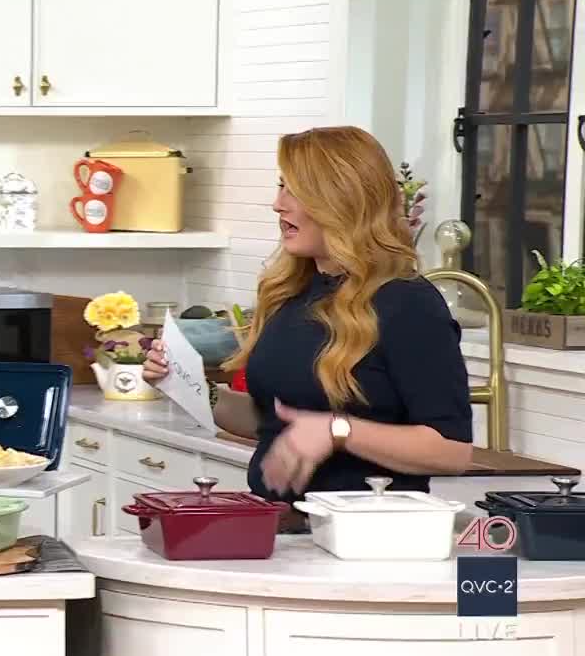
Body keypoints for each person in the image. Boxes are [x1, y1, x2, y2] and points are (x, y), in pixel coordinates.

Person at [142, 125, 474, 506]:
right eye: (280, 186)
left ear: (341, 199)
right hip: (282, 527)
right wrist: (193, 386)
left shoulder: (408, 303)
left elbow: (451, 450)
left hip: (366, 534)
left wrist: (338, 430)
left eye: (294, 190)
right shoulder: (291, 291)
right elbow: (272, 419)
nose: (277, 204)